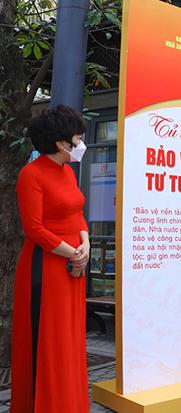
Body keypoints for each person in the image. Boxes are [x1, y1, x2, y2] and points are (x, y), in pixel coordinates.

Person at [11, 105, 90, 413]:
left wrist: (85, 243)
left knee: (70, 340)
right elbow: (34, 229)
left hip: (73, 266)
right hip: (46, 269)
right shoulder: (31, 175)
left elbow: (77, 212)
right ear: (60, 143)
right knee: (49, 340)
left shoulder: (67, 172)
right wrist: (74, 254)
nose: (81, 143)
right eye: (78, 138)